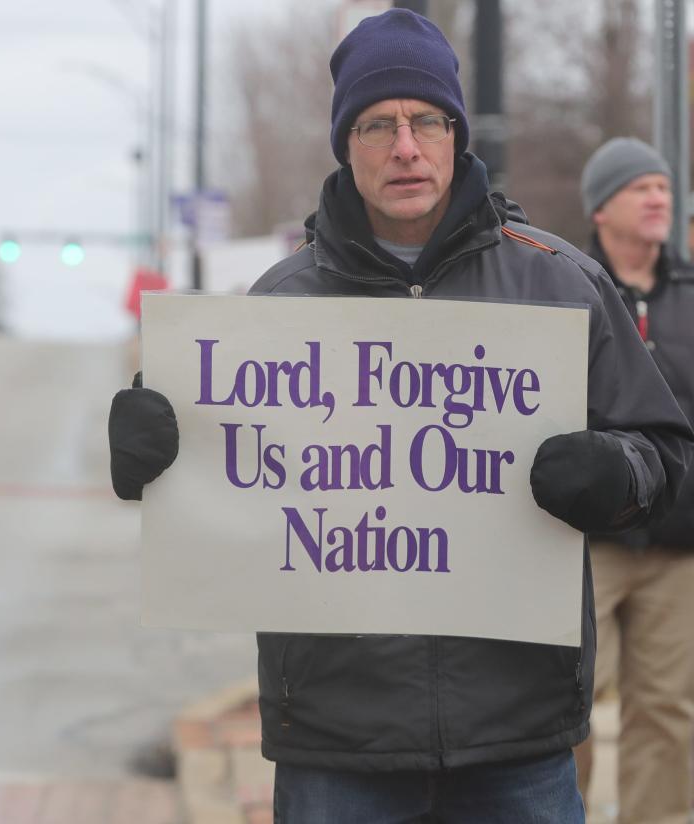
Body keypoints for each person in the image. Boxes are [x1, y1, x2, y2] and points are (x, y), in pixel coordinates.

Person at [108, 10, 694, 823]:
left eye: (426, 121)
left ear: (457, 134)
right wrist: (153, 457)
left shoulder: (559, 283)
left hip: (515, 737)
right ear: (346, 145)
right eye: (378, 125)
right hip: (335, 741)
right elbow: (211, 482)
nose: (406, 147)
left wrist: (615, 475)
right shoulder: (277, 306)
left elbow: (665, 454)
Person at [573, 138, 694, 823]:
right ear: (601, 208)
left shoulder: (689, 294)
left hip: (678, 544)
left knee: (668, 711)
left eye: (664, 189)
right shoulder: (571, 289)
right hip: (591, 542)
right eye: (641, 188)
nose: (659, 200)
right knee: (573, 699)